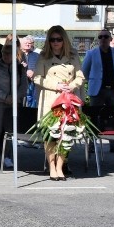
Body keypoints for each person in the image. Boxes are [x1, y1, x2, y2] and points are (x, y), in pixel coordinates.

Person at [33, 25, 85, 181]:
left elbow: (80, 76)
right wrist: (55, 85)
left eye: (59, 39)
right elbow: (37, 77)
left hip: (69, 100)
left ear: (64, 40)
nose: (55, 42)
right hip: (51, 99)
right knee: (51, 135)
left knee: (66, 134)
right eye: (52, 39)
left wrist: (72, 85)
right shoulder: (43, 56)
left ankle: (60, 167)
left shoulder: (73, 55)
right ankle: (52, 167)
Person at [81, 28, 114, 153]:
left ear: (110, 39)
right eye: (100, 37)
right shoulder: (91, 53)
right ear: (98, 39)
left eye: (105, 37)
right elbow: (83, 72)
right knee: (94, 118)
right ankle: (91, 145)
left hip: (113, 90)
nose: (103, 39)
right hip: (97, 91)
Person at [0, 39, 28, 168]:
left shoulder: (20, 68)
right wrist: (5, 97)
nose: (6, 56)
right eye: (4, 53)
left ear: (15, 54)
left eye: (9, 54)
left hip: (15, 103)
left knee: (10, 131)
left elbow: (24, 85)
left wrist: (15, 97)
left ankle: (8, 156)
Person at [22, 35, 40, 108]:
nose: (28, 44)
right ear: (21, 44)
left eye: (29, 43)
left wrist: (34, 72)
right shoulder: (18, 55)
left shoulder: (37, 55)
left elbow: (40, 68)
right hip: (21, 83)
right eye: (26, 43)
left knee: (33, 104)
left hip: (33, 83)